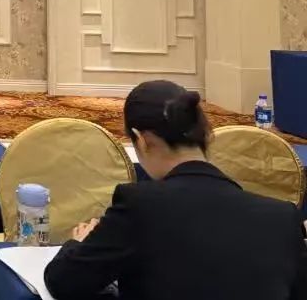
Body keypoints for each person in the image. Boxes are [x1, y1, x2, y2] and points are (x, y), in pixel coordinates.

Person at [44, 79, 307, 300]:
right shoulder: (282, 218)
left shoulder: (140, 205)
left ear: (142, 141)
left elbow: (64, 281)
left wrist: (76, 244)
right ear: (208, 136)